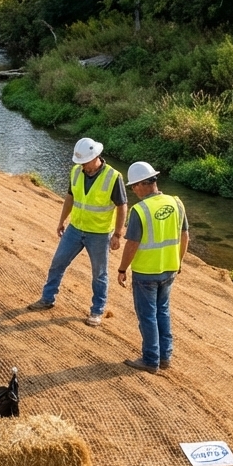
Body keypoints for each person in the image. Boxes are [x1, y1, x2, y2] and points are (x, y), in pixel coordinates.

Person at [27, 137, 127, 326]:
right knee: (58, 262)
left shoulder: (113, 177)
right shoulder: (76, 171)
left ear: (96, 156)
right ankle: (47, 299)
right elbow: (70, 197)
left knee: (100, 273)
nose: (82, 166)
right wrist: (62, 220)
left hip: (99, 233)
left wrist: (118, 235)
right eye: (80, 162)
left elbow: (122, 206)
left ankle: (97, 311)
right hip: (75, 228)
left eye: (85, 162)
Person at [116, 161, 189, 373]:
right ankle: (165, 357)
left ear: (141, 185)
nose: (133, 191)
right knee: (162, 312)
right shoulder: (177, 203)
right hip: (169, 269)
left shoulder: (139, 210)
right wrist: (179, 262)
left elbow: (132, 244)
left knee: (147, 316)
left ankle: (150, 360)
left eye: (133, 187)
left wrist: (122, 269)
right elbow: (185, 236)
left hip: (146, 273)